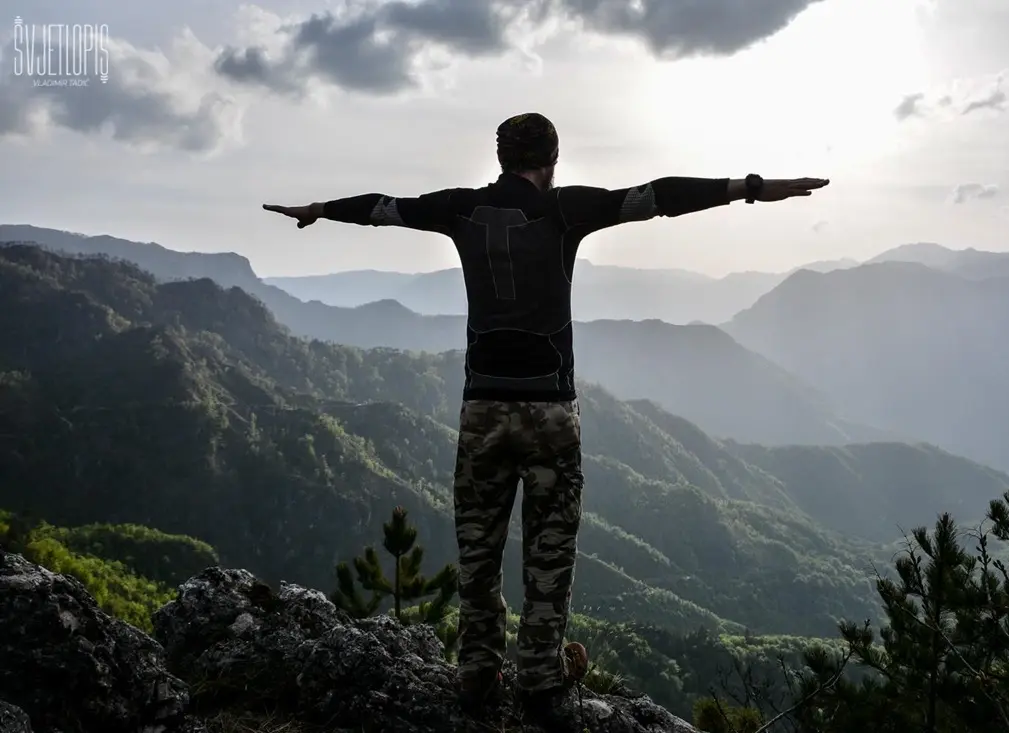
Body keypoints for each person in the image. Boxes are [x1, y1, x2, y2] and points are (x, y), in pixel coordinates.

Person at [263, 112, 830, 728]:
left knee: (478, 552)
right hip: (552, 415)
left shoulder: (459, 209)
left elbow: (383, 208)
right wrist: (748, 186)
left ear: (502, 158)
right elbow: (658, 196)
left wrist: (319, 207)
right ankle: (539, 674)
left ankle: (478, 671)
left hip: (483, 409)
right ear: (552, 158)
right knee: (549, 553)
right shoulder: (567, 211)